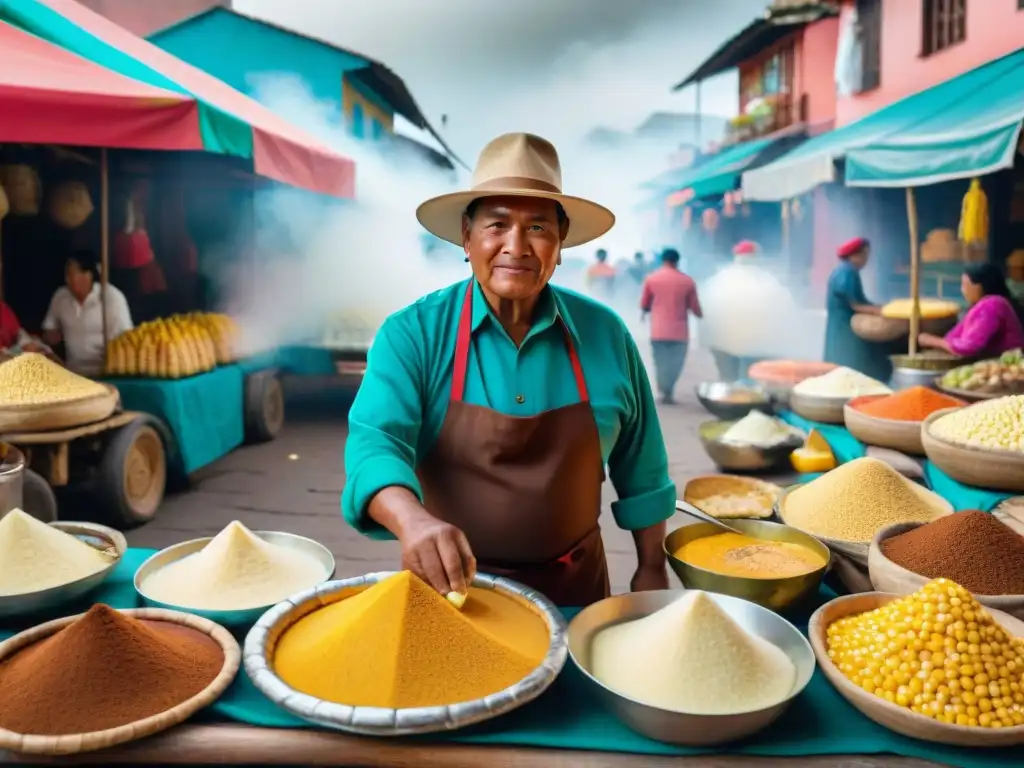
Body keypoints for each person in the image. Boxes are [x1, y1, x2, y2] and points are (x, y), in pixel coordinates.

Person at [342, 132, 675, 607]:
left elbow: (642, 466)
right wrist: (411, 519)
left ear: (560, 245)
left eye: (538, 228)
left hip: (575, 592)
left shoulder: (606, 334)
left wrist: (651, 566)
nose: (516, 246)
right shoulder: (413, 333)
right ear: (467, 236)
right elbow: (376, 442)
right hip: (452, 593)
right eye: (497, 225)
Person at [42, 250, 134, 376]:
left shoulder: (112, 297)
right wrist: (51, 337)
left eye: (77, 273)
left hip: (107, 372)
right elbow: (49, 330)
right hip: (73, 373)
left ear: (89, 275)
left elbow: (126, 339)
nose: (72, 280)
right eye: (68, 274)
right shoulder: (60, 297)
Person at [918, 262, 1024, 358]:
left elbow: (967, 348)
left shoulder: (992, 305)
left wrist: (930, 341)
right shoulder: (983, 306)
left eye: (965, 285)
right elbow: (952, 338)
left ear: (979, 286)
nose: (962, 290)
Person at [823, 237, 890, 382]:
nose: (866, 259)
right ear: (855, 255)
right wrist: (882, 312)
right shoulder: (847, 273)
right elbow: (856, 305)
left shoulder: (846, 270)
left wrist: (878, 307)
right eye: (865, 255)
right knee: (850, 360)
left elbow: (862, 300)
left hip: (844, 323)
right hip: (845, 324)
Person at [640, 248, 702, 404]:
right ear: (677, 261)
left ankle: (663, 390)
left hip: (658, 331)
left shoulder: (652, 279)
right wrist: (702, 315)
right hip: (679, 332)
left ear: (662, 260)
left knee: (660, 361)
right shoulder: (687, 281)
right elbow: (695, 308)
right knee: (676, 362)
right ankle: (668, 390)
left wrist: (647, 311)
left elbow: (644, 304)